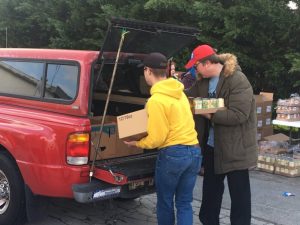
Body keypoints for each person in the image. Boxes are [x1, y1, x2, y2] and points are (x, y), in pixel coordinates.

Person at [125, 52, 202, 225]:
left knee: (165, 202)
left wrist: (136, 143)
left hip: (174, 154)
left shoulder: (156, 100)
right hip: (194, 151)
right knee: (184, 202)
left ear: (147, 71)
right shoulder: (180, 92)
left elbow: (156, 139)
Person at [184, 44, 257, 225]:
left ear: (207, 63)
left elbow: (239, 114)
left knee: (239, 196)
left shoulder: (237, 79)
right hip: (211, 146)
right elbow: (187, 99)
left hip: (235, 149)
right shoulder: (202, 81)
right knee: (210, 193)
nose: (195, 70)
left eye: (196, 65)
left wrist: (209, 112)